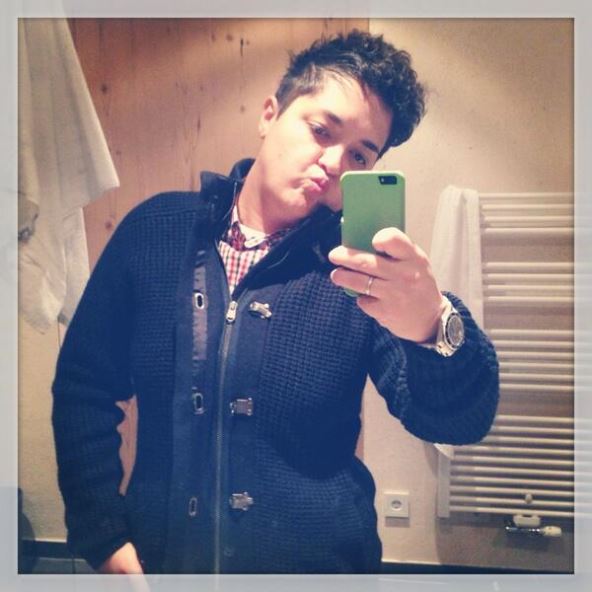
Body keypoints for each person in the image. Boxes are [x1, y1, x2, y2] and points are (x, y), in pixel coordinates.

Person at [52, 30, 499, 575]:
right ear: (270, 114)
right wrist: (102, 534)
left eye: (360, 154)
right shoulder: (156, 231)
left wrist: (433, 326)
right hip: (162, 566)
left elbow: (459, 422)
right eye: (321, 130)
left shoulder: (361, 271)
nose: (334, 162)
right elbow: (85, 387)